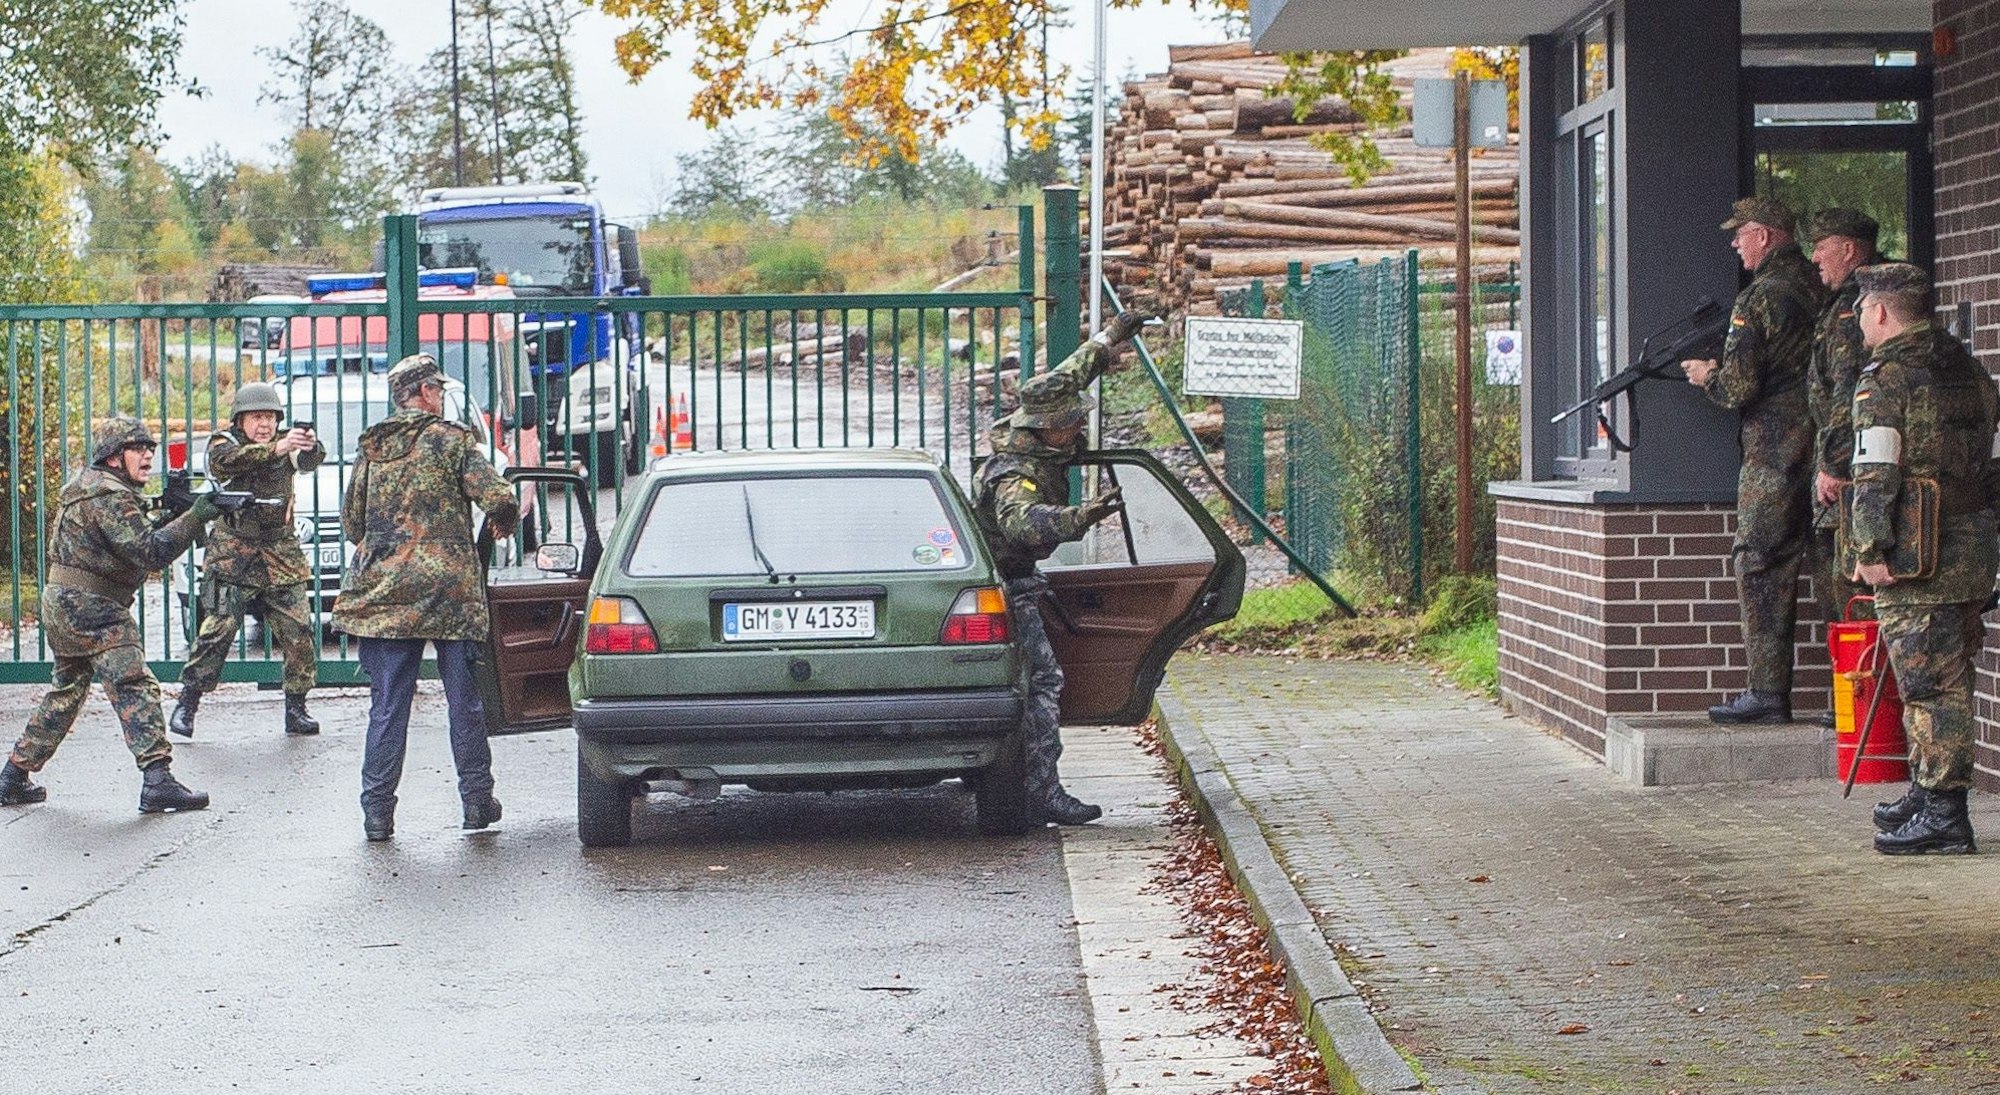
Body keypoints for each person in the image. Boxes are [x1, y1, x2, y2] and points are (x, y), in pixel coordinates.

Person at [971, 310, 1148, 825]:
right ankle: (1040, 790)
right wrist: (1079, 518)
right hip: (1007, 587)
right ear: (1047, 428)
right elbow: (1023, 525)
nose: (1077, 426)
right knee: (1043, 682)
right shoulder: (1017, 471)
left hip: (1018, 581)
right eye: (1069, 422)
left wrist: (1114, 333)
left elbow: (1072, 371)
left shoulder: (1043, 410)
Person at [332, 354, 519, 842]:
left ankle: (377, 813)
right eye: (436, 389)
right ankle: (477, 802)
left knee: (388, 706)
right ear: (426, 393)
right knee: (464, 701)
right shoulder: (451, 440)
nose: (439, 396)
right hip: (449, 594)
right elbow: (498, 495)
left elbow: (352, 522)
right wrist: (503, 522)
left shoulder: (372, 447)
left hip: (388, 597)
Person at [1845, 263, 1998, 856]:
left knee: (1929, 685)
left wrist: (1869, 549)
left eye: (1862, 310)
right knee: (1949, 674)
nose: (1859, 320)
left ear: (1881, 312)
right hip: (1973, 548)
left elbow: (1874, 471)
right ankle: (1925, 788)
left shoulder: (1885, 379)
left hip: (1918, 556)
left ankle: (1943, 814)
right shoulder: (1969, 369)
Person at [0, 418, 221, 812]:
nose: (149, 455)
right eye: (139, 448)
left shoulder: (87, 487)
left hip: (66, 602)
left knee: (66, 691)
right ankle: (158, 780)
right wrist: (196, 516)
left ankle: (12, 776)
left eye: (150, 448)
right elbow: (150, 552)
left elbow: (130, 542)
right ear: (115, 457)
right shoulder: (110, 496)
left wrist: (175, 515)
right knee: (135, 685)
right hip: (93, 608)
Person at [1681, 196, 1829, 724]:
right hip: (1829, 446)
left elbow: (1740, 388)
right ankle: (1851, 697)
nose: (1734, 242)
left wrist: (1707, 376)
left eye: (1740, 233)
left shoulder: (1761, 297)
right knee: (1831, 562)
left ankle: (1768, 693)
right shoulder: (1823, 287)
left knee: (1760, 562)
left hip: (1775, 452)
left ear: (1764, 236)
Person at [170, 382, 326, 738]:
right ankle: (187, 703)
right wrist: (278, 447)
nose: (265, 425)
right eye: (257, 417)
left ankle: (296, 707)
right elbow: (226, 464)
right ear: (240, 420)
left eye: (270, 418)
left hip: (280, 554)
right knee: (218, 631)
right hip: (233, 555)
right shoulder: (225, 443)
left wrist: (310, 444)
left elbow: (309, 461)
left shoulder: (286, 442)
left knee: (299, 629)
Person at [1803, 208, 1881, 728]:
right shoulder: (1840, 304)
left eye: (1822, 246)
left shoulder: (1856, 309)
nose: (1814, 258)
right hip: (1843, 465)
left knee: (1849, 589)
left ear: (1849, 250)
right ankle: (1850, 709)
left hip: (1852, 474)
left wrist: (1833, 462)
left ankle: (1863, 711)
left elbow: (1848, 394)